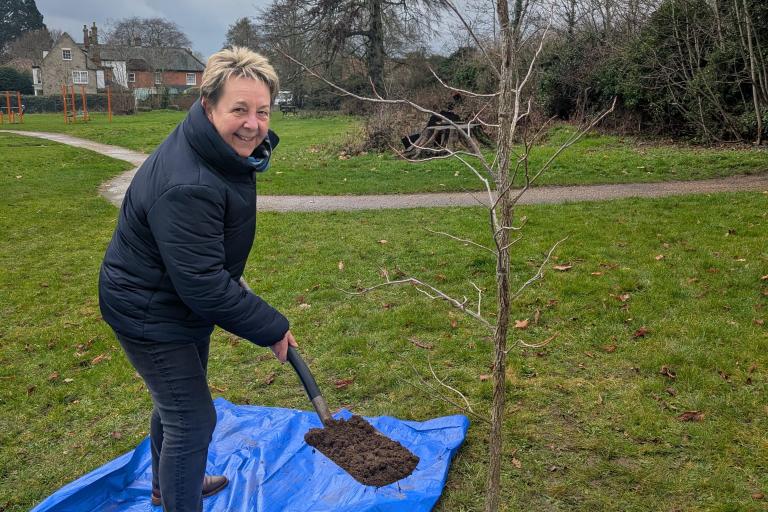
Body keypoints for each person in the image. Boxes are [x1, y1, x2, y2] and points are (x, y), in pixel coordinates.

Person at [98, 47, 297, 511]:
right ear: (208, 106)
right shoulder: (189, 183)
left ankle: (168, 486)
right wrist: (271, 326)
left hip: (174, 299)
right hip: (147, 310)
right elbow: (204, 284)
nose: (253, 125)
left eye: (262, 111)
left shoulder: (215, 150)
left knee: (176, 404)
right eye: (239, 110)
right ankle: (178, 497)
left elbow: (201, 263)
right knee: (191, 418)